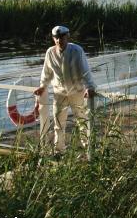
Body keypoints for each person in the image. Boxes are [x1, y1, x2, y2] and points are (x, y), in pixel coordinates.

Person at [34, 25, 96, 153]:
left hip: (76, 92)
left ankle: (89, 149)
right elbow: (47, 73)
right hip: (59, 93)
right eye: (56, 38)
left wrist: (90, 86)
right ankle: (59, 150)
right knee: (58, 124)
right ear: (53, 38)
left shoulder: (77, 50)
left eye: (61, 37)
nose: (59, 40)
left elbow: (85, 70)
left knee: (82, 121)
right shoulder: (50, 53)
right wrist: (42, 86)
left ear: (67, 36)